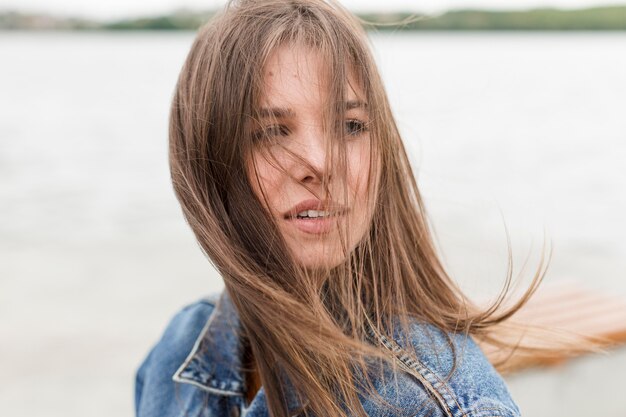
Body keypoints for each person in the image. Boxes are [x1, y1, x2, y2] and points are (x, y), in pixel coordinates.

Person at [134, 1, 564, 416]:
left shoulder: (439, 400)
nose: (319, 163)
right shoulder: (177, 352)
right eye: (269, 132)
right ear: (206, 161)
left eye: (350, 126)